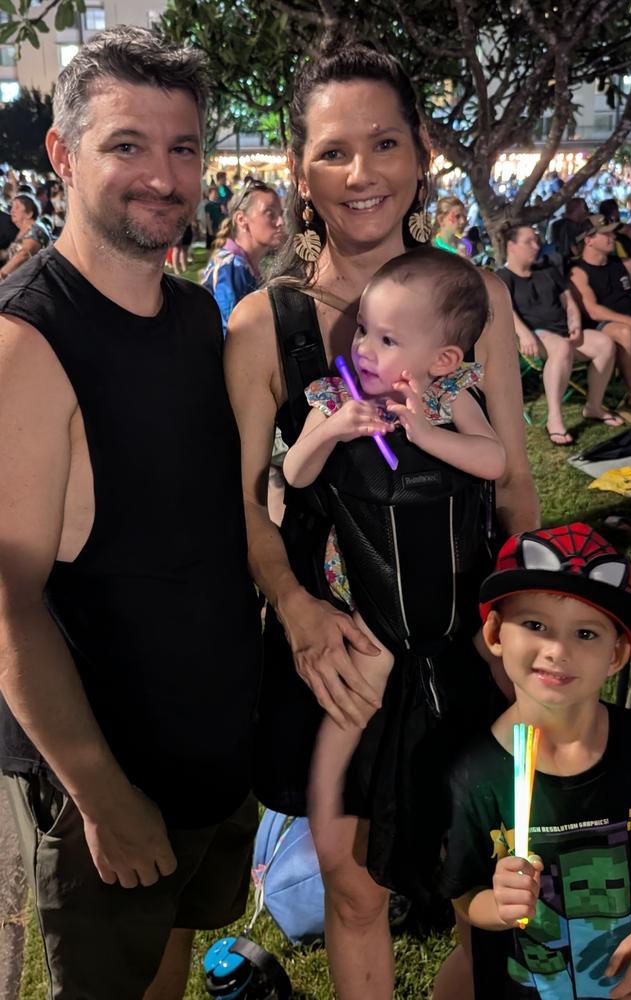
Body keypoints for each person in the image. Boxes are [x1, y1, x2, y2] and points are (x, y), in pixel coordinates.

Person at [225, 38, 538, 1000]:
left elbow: (513, 486)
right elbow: (244, 499)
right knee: (353, 890)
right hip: (341, 653)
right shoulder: (262, 324)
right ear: (298, 171)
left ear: (419, 155)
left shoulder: (473, 299)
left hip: (465, 644)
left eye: (385, 143)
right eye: (332, 151)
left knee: (485, 887)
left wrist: (518, 627)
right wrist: (297, 604)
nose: (361, 174)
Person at [0, 26, 261, 1000]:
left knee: (172, 960)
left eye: (182, 147)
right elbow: (8, 602)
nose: (162, 175)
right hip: (107, 772)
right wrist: (101, 796)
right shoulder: (28, 339)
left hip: (206, 744)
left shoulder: (196, 317)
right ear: (63, 155)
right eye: (126, 145)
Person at [283, 247, 506, 828]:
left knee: (492, 663)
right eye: (362, 330)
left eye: (386, 339)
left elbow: (493, 460)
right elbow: (296, 472)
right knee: (365, 683)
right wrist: (331, 430)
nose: (363, 349)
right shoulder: (337, 396)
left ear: (443, 358)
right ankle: (325, 802)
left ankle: (512, 768)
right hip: (367, 577)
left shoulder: (448, 396)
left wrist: (426, 433)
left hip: (451, 573)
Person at [441, 522, 631, 1000]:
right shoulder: (475, 775)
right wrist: (498, 905)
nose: (558, 651)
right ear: (495, 632)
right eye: (535, 626)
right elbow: (463, 891)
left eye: (585, 633)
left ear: (617, 654)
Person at [498, 226, 621, 446]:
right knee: (562, 348)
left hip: (563, 333)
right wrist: (524, 334)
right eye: (529, 242)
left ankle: (594, 406)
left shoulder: (547, 269)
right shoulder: (502, 278)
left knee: (604, 343)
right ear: (511, 246)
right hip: (534, 337)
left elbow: (569, 301)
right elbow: (506, 310)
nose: (536, 246)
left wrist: (574, 321)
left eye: (537, 240)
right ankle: (554, 419)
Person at [570, 214, 631, 419]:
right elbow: (593, 311)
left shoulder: (626, 264)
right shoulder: (578, 273)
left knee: (630, 330)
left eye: (613, 233)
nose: (612, 237)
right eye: (606, 234)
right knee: (625, 332)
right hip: (602, 326)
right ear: (588, 240)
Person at [202, 178, 285, 328]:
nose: (281, 222)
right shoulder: (230, 269)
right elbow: (233, 335)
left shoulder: (244, 265)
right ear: (241, 220)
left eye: (281, 214)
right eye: (270, 214)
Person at [0, 194, 50, 280]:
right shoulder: (22, 232)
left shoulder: (36, 229)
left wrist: (2, 273)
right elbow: (9, 253)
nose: (12, 211)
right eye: (12, 207)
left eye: (17, 207)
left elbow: (23, 254)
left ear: (29, 213)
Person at [547, 197, 589, 262]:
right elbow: (573, 248)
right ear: (577, 209)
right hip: (572, 261)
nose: (585, 211)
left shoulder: (556, 224)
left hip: (559, 261)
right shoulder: (570, 225)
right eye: (583, 208)